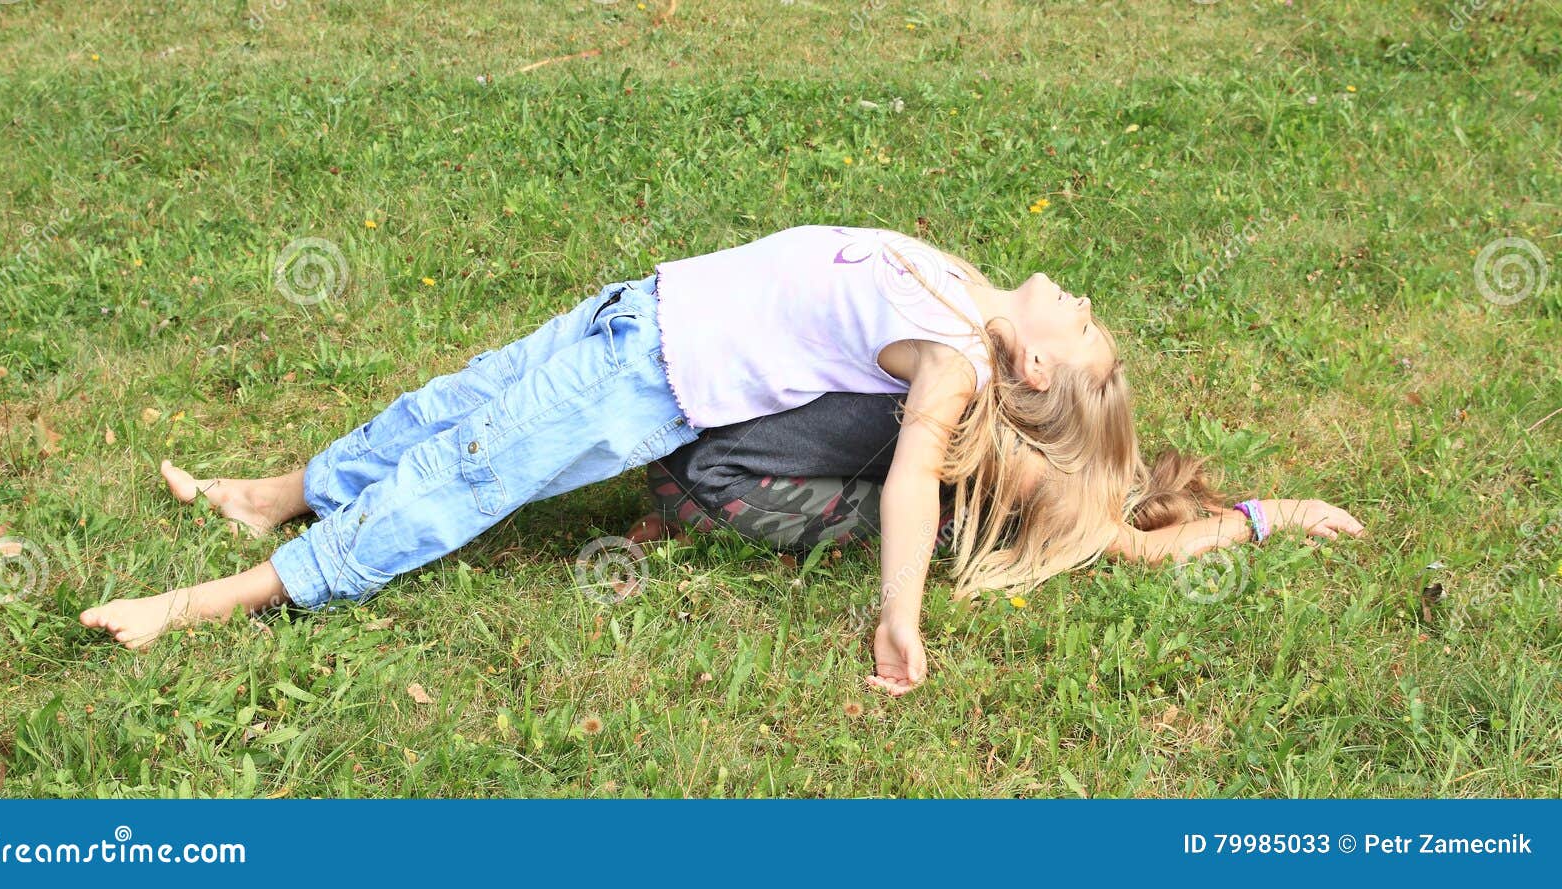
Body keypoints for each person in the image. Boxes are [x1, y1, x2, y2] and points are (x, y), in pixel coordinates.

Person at [79, 224, 1361, 697]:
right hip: (631, 313)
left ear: (1033, 373)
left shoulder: (960, 367)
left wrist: (896, 619)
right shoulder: (975, 301)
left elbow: (916, 479)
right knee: (444, 407)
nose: (1077, 295)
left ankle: (207, 603)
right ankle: (269, 497)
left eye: (1079, 324)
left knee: (460, 479)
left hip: (646, 384)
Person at [628, 391, 1366, 560]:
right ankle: (684, 516)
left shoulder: (1001, 392)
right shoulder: (1030, 472)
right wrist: (1269, 514)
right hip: (707, 473)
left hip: (688, 417)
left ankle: (679, 510)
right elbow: (1144, 551)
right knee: (944, 527)